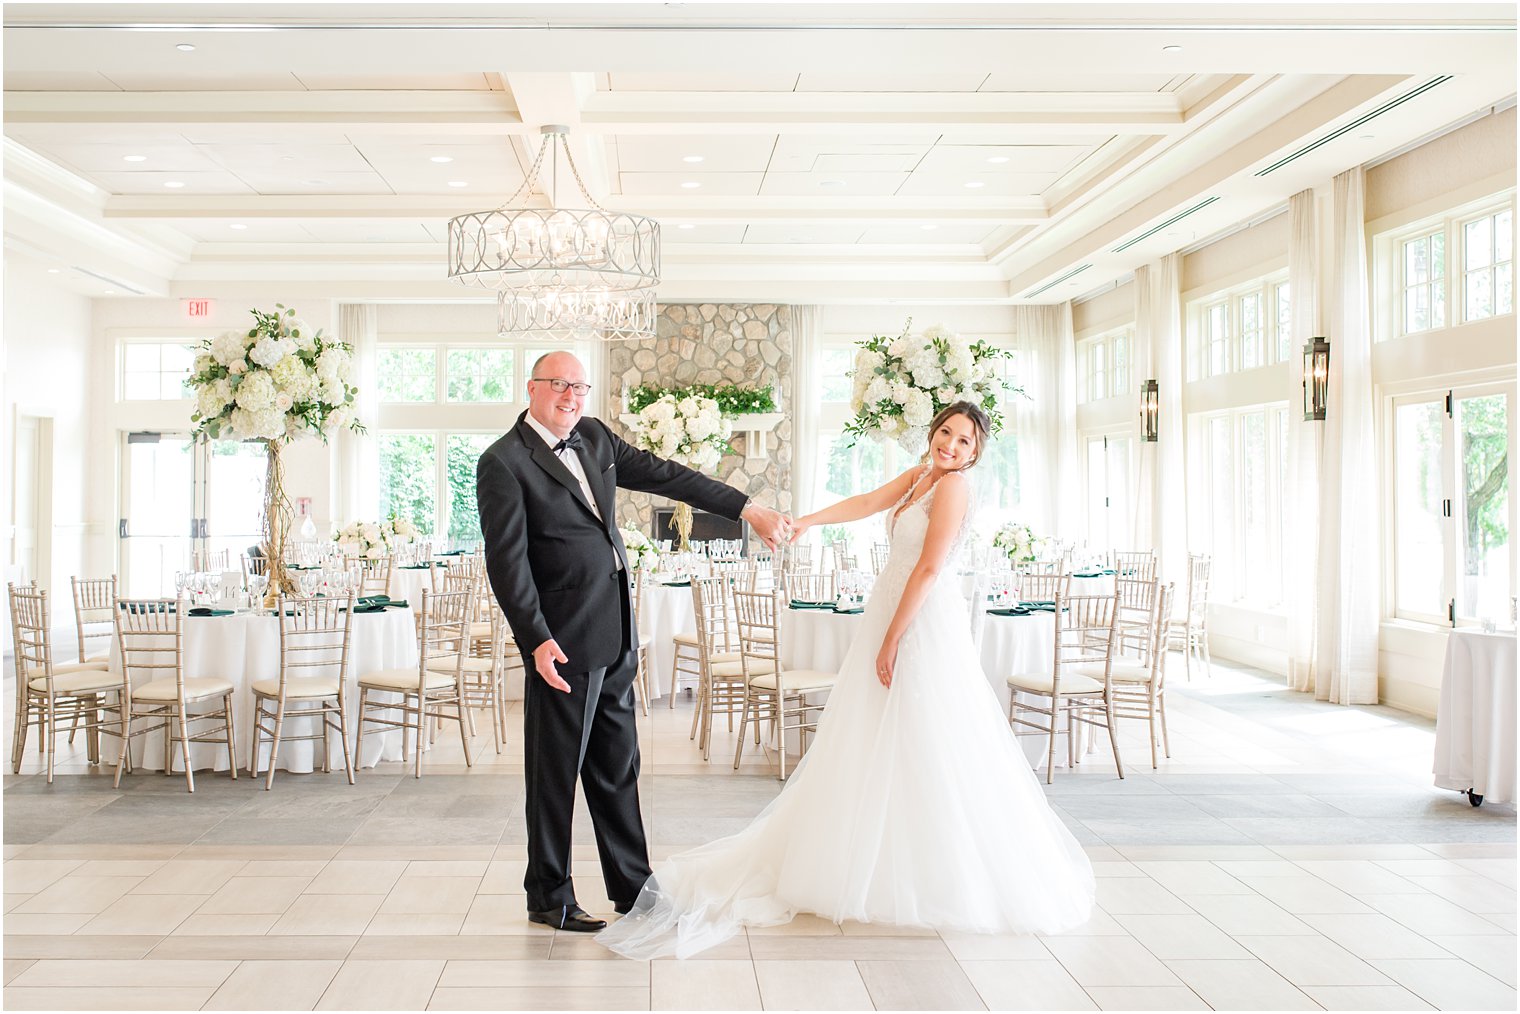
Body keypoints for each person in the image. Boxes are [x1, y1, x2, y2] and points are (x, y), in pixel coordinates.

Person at [597, 401, 1095, 958]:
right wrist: (806, 522)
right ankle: (872, 849)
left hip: (920, 621)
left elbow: (929, 569)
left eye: (964, 442)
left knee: (926, 736)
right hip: (890, 609)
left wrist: (892, 638)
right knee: (874, 734)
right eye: (946, 433)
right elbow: (865, 503)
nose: (951, 447)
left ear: (976, 453)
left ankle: (925, 866)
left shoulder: (953, 488)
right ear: (933, 433)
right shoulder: (920, 476)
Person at [476, 351, 793, 933]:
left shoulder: (593, 437)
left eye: (580, 386)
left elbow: (671, 475)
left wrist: (748, 508)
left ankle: (633, 890)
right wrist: (535, 639)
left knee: (617, 766)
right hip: (561, 643)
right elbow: (508, 562)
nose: (571, 396)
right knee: (554, 772)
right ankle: (548, 894)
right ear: (532, 388)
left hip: (615, 631)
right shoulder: (503, 462)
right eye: (560, 385)